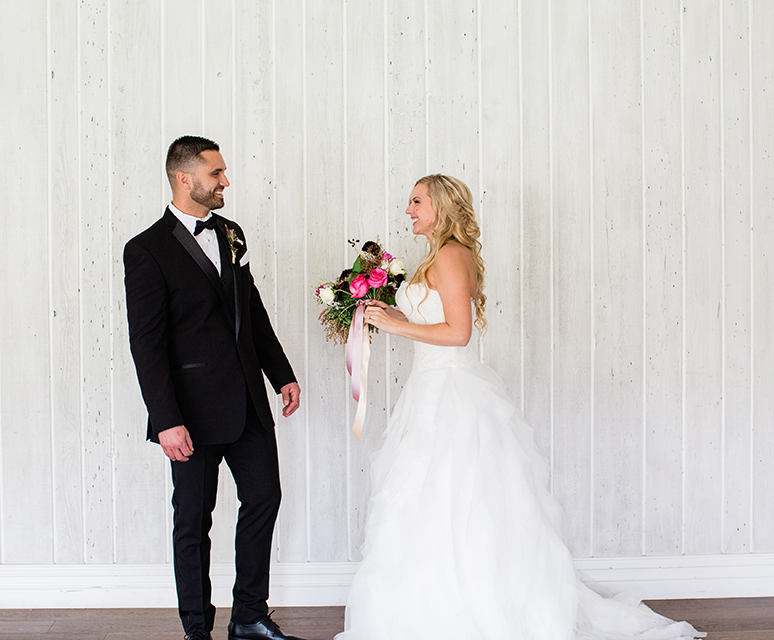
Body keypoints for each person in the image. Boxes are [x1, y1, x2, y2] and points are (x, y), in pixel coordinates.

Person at [338, 174, 705, 639]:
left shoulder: (451, 255)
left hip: (450, 394)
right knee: (432, 504)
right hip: (430, 389)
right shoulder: (439, 256)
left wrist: (396, 328)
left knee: (454, 503)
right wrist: (394, 316)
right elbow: (436, 321)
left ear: (442, 206)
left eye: (416, 201)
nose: (408, 209)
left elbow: (458, 334)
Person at [124, 136, 306, 640]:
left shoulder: (232, 233)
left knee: (265, 498)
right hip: (191, 414)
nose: (225, 181)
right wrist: (165, 420)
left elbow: (252, 311)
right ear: (186, 179)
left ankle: (248, 615)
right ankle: (197, 630)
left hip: (248, 401)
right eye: (217, 173)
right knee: (193, 523)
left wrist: (281, 374)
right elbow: (147, 344)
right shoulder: (145, 250)